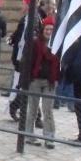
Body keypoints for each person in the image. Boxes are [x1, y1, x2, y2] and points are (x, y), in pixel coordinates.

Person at [22, 17, 59, 147]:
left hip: (50, 81)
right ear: (43, 29)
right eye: (47, 29)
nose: (49, 31)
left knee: (48, 109)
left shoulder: (57, 44)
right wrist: (26, 80)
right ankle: (29, 135)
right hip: (35, 80)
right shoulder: (35, 43)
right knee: (32, 108)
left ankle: (49, 137)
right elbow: (27, 61)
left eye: (51, 29)